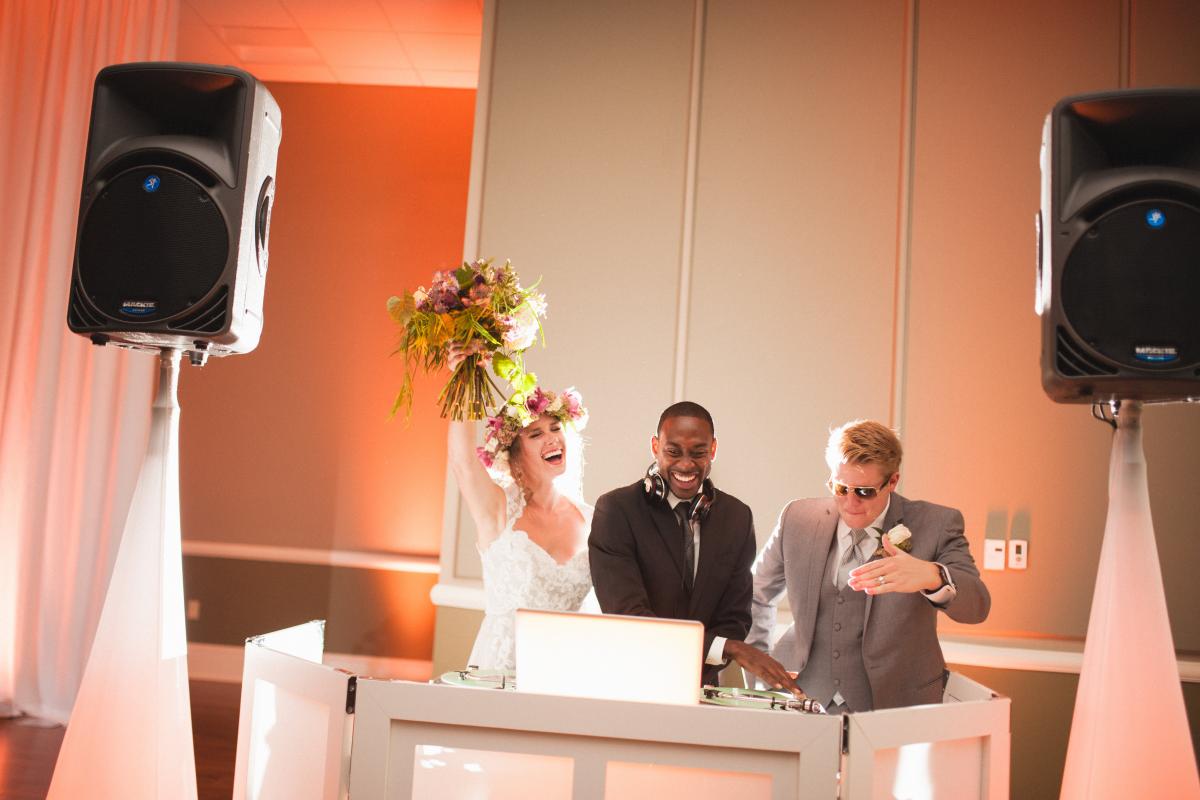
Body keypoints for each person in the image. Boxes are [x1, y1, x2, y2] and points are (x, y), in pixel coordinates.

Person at [746, 419, 990, 713]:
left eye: (864, 492)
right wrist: (759, 664)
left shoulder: (936, 524)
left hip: (894, 704)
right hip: (800, 698)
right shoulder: (797, 518)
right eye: (840, 487)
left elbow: (978, 605)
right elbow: (755, 595)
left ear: (892, 481)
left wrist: (931, 576)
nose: (850, 503)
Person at [589, 401, 798, 690]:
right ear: (655, 447)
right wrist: (728, 648)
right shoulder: (616, 510)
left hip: (702, 687)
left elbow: (735, 618)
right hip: (629, 681)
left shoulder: (737, 516)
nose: (686, 464)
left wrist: (717, 651)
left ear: (713, 449)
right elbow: (628, 616)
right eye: (673, 451)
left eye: (698, 453)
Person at [448, 385, 592, 671]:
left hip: (566, 669)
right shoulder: (498, 509)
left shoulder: (591, 520)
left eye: (555, 428)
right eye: (536, 434)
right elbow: (463, 463)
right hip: (502, 668)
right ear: (515, 457)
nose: (552, 439)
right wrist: (465, 376)